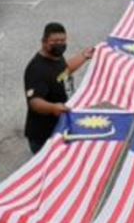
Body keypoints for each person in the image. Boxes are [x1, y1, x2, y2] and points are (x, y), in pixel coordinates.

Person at [23, 22, 94, 154]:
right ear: (44, 42)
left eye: (63, 40)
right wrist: (53, 108)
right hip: (43, 136)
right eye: (55, 41)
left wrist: (84, 56)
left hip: (59, 127)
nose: (59, 44)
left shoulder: (56, 57)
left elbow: (63, 71)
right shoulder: (36, 69)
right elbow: (35, 102)